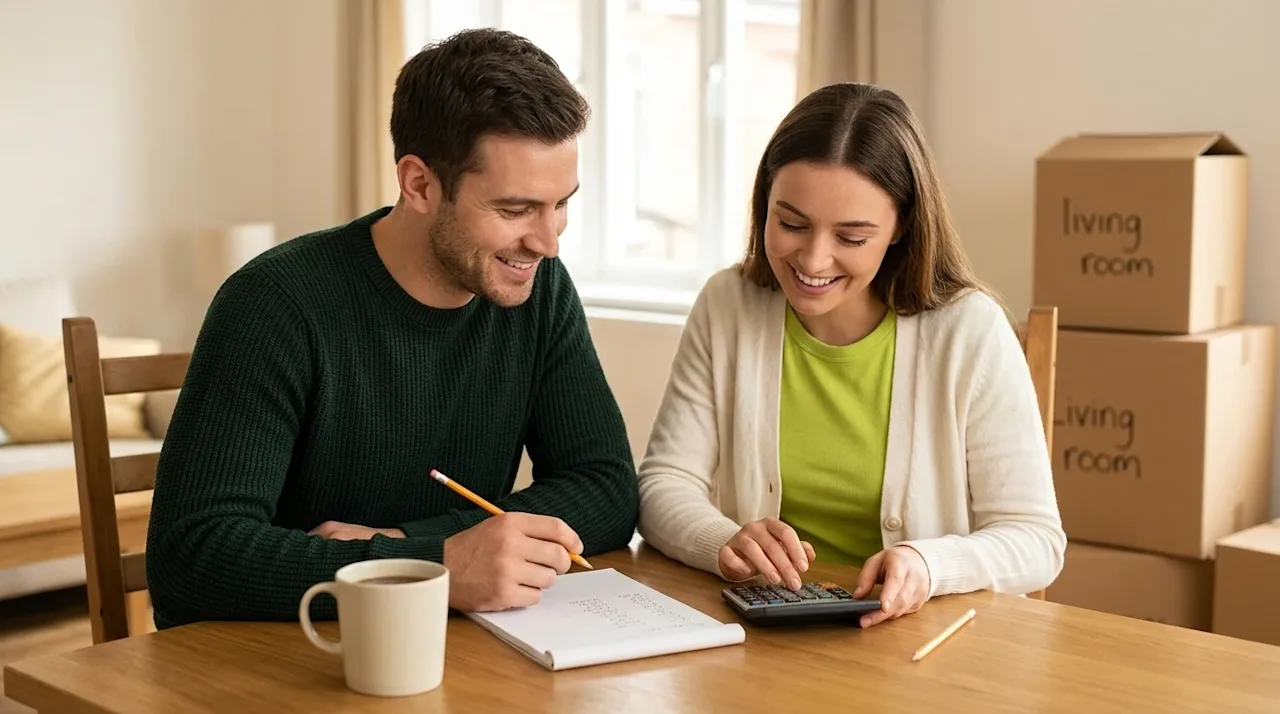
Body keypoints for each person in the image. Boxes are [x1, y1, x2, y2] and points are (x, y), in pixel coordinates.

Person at [146, 28, 639, 630]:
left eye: (561, 202)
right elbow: (192, 556)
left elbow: (608, 489)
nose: (548, 241)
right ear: (420, 184)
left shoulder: (540, 292)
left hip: (444, 651)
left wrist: (416, 543)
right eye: (515, 210)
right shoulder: (274, 304)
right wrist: (438, 564)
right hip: (285, 658)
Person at [635, 82, 1065, 628]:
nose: (813, 259)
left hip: (924, 649)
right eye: (789, 223)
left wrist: (929, 564)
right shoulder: (728, 306)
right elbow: (661, 486)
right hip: (765, 642)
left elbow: (1036, 540)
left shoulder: (969, 331)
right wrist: (725, 541)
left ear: (901, 227)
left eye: (852, 237)